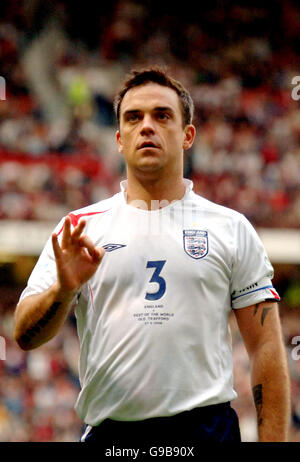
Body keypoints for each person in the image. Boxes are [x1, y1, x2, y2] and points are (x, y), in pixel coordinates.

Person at [14, 66, 290, 445]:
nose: (146, 126)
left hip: (207, 434)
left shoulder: (230, 228)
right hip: (113, 438)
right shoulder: (78, 229)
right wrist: (62, 290)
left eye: (162, 116)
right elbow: (24, 336)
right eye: (133, 117)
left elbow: (266, 348)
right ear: (119, 139)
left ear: (187, 135)